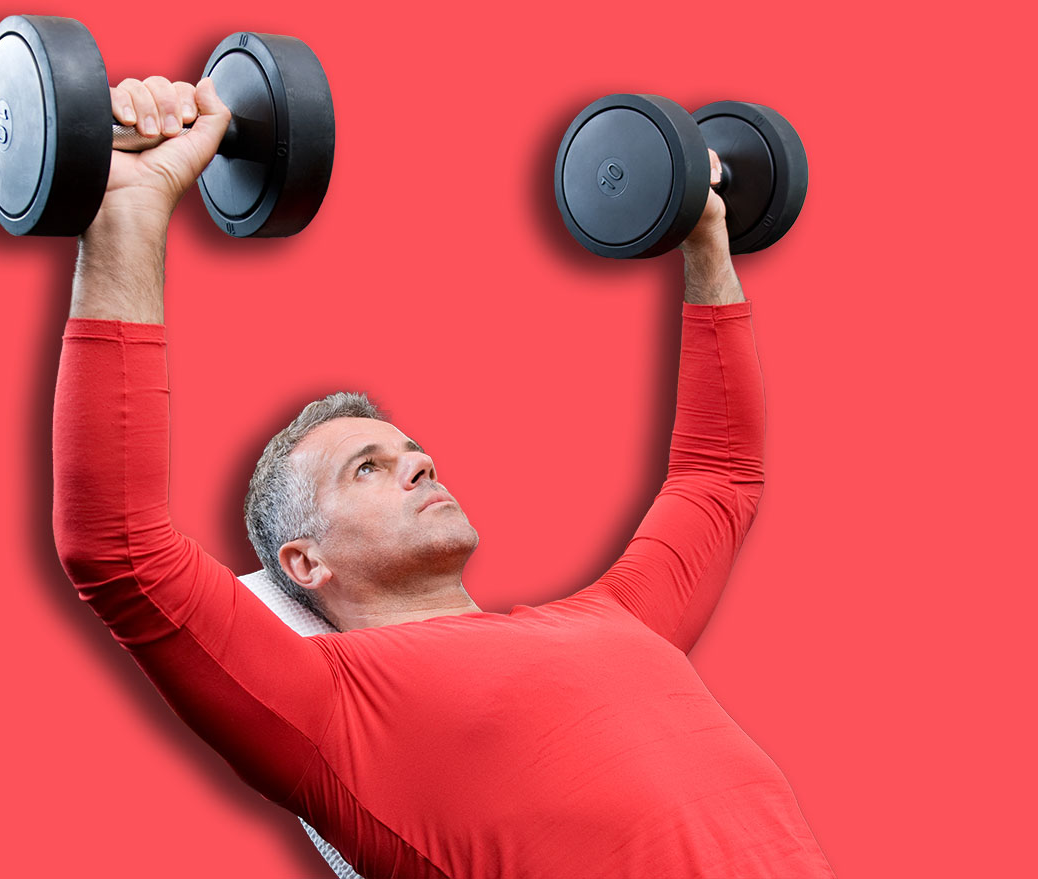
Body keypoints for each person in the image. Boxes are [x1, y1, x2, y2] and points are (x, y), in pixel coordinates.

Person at [53, 76, 835, 878]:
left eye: (411, 449)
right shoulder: (335, 712)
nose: (419, 461)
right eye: (368, 467)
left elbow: (719, 474)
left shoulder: (619, 620)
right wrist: (127, 219)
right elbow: (120, 551)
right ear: (304, 561)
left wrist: (706, 238)